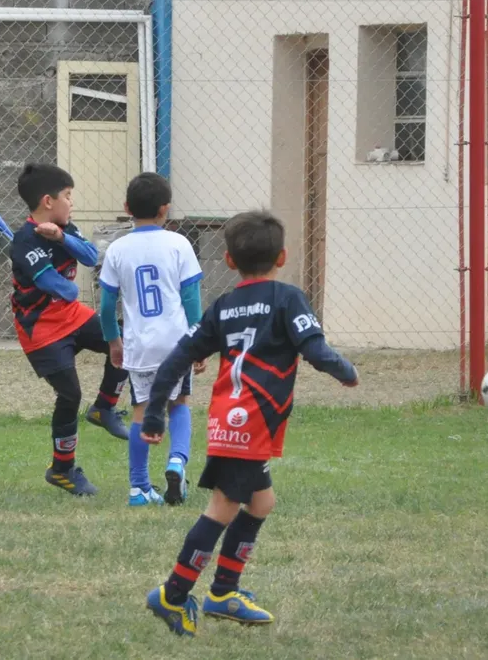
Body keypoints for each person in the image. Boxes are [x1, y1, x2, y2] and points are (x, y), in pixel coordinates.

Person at [141, 210, 359, 636]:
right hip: (251, 421)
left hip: (232, 418)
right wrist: (347, 371)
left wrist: (153, 411)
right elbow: (315, 350)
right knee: (222, 509)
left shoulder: (223, 306)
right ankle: (172, 595)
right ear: (283, 256)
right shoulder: (287, 297)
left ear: (228, 260)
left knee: (261, 503)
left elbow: (177, 358)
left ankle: (223, 592)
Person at [10, 163, 130, 496]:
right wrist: (67, 272)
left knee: (125, 342)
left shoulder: (66, 227)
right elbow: (62, 288)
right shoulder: (24, 240)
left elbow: (91, 257)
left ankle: (104, 407)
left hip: (71, 317)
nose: (71, 202)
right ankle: (62, 470)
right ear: (47, 201)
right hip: (41, 329)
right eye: (67, 196)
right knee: (69, 394)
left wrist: (62, 237)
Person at [98, 172, 205, 507]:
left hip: (140, 346)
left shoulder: (117, 249)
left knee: (142, 410)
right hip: (176, 343)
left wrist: (114, 341)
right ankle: (177, 462)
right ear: (166, 209)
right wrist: (199, 340)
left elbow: (105, 307)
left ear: (127, 207)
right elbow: (191, 299)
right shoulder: (179, 244)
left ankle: (139, 487)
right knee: (179, 403)